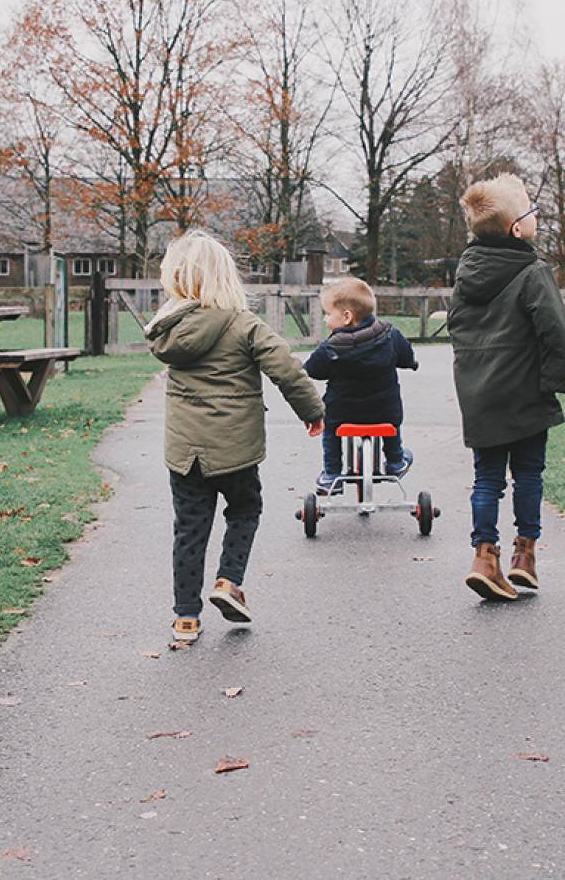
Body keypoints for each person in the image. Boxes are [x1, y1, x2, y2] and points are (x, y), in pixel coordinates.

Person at [145, 231, 325, 644]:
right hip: (236, 452)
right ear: (225, 278)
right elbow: (287, 370)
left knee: (190, 528)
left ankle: (186, 619)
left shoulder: (167, 331)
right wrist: (312, 411)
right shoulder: (244, 324)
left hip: (184, 454)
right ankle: (228, 581)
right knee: (245, 509)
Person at [447, 174, 565, 601]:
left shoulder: (465, 276)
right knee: (528, 475)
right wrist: (555, 382)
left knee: (487, 479)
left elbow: (458, 329)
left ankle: (484, 556)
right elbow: (554, 331)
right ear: (516, 229)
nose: (536, 215)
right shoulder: (532, 272)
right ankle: (525, 555)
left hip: (480, 395)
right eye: (530, 211)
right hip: (525, 393)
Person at [303, 278, 418, 494]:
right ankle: (395, 461)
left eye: (328, 314)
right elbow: (407, 357)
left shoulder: (332, 347)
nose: (325, 318)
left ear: (347, 317)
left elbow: (313, 370)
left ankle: (332, 473)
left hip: (343, 415)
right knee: (392, 418)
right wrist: (411, 363)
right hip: (384, 412)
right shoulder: (390, 335)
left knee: (331, 431)